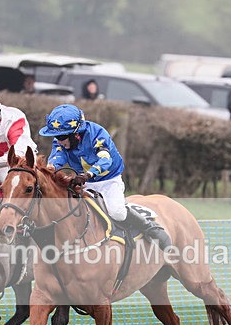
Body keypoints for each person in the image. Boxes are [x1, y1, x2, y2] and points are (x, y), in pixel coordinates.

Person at [38, 104, 172, 251]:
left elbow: (105, 159)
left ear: (76, 133)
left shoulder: (97, 133)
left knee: (117, 212)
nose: (60, 140)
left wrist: (88, 174)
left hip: (109, 181)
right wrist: (49, 169)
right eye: (56, 136)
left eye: (63, 137)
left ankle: (149, 227)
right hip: (84, 182)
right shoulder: (60, 141)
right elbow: (58, 157)